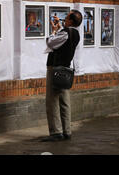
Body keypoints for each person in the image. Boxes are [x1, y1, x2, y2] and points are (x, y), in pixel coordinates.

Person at [41, 10, 82, 142]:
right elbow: (62, 40)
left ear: (70, 20)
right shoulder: (75, 33)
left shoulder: (66, 33)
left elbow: (51, 43)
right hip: (65, 69)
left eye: (67, 17)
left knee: (52, 100)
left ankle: (56, 132)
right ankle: (67, 131)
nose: (64, 19)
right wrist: (59, 29)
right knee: (64, 101)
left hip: (55, 68)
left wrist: (54, 31)